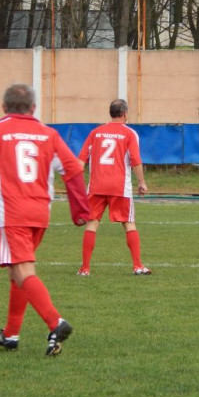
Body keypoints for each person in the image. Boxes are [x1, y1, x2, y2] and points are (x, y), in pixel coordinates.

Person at [0, 84, 90, 355]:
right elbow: (73, 168)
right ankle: (11, 334)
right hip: (40, 212)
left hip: (12, 212)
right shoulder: (48, 133)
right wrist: (79, 209)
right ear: (33, 108)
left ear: (4, 108)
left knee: (23, 271)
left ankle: (55, 321)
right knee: (15, 271)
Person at [77, 99, 151, 276]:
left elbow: (80, 161)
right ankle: (137, 266)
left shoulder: (96, 132)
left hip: (96, 186)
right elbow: (135, 160)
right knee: (129, 223)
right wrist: (141, 182)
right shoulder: (129, 133)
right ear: (125, 113)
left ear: (111, 113)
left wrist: (77, 185)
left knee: (92, 224)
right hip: (119, 187)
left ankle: (85, 269)